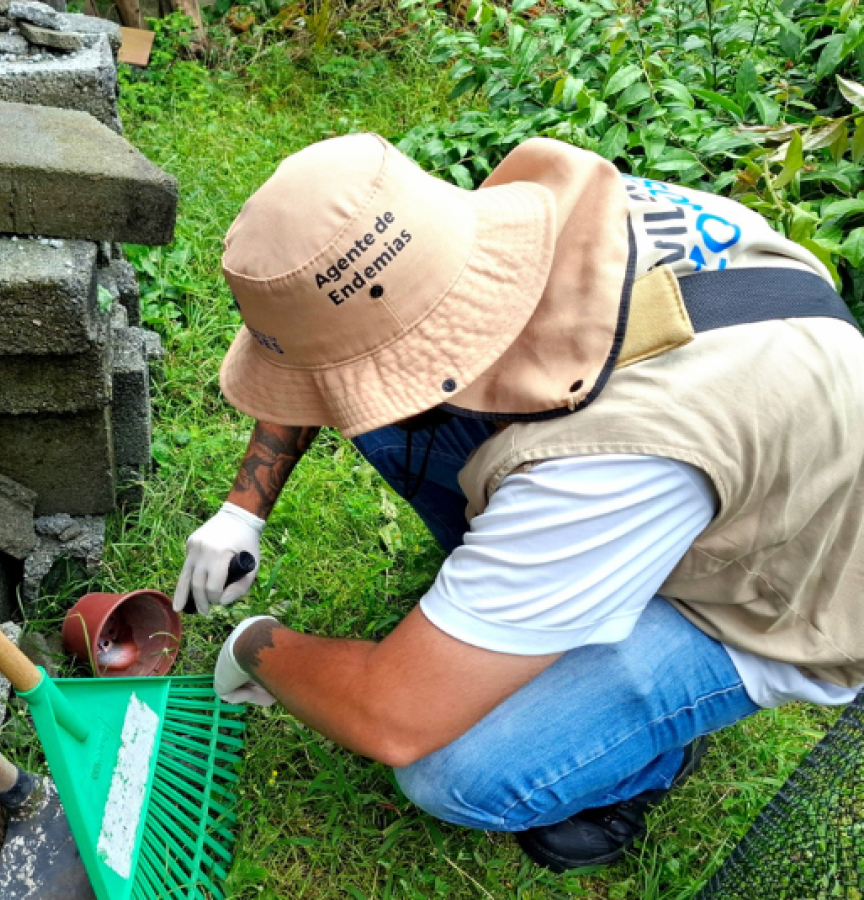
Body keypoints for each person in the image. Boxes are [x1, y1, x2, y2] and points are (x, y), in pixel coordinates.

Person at [172, 133, 864, 872]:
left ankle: (644, 761)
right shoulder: (516, 223)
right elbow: (335, 349)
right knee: (386, 424)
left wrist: (253, 645)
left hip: (769, 591)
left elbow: (392, 716)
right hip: (736, 442)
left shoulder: (601, 472)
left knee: (455, 768)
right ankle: (523, 608)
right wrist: (243, 508)